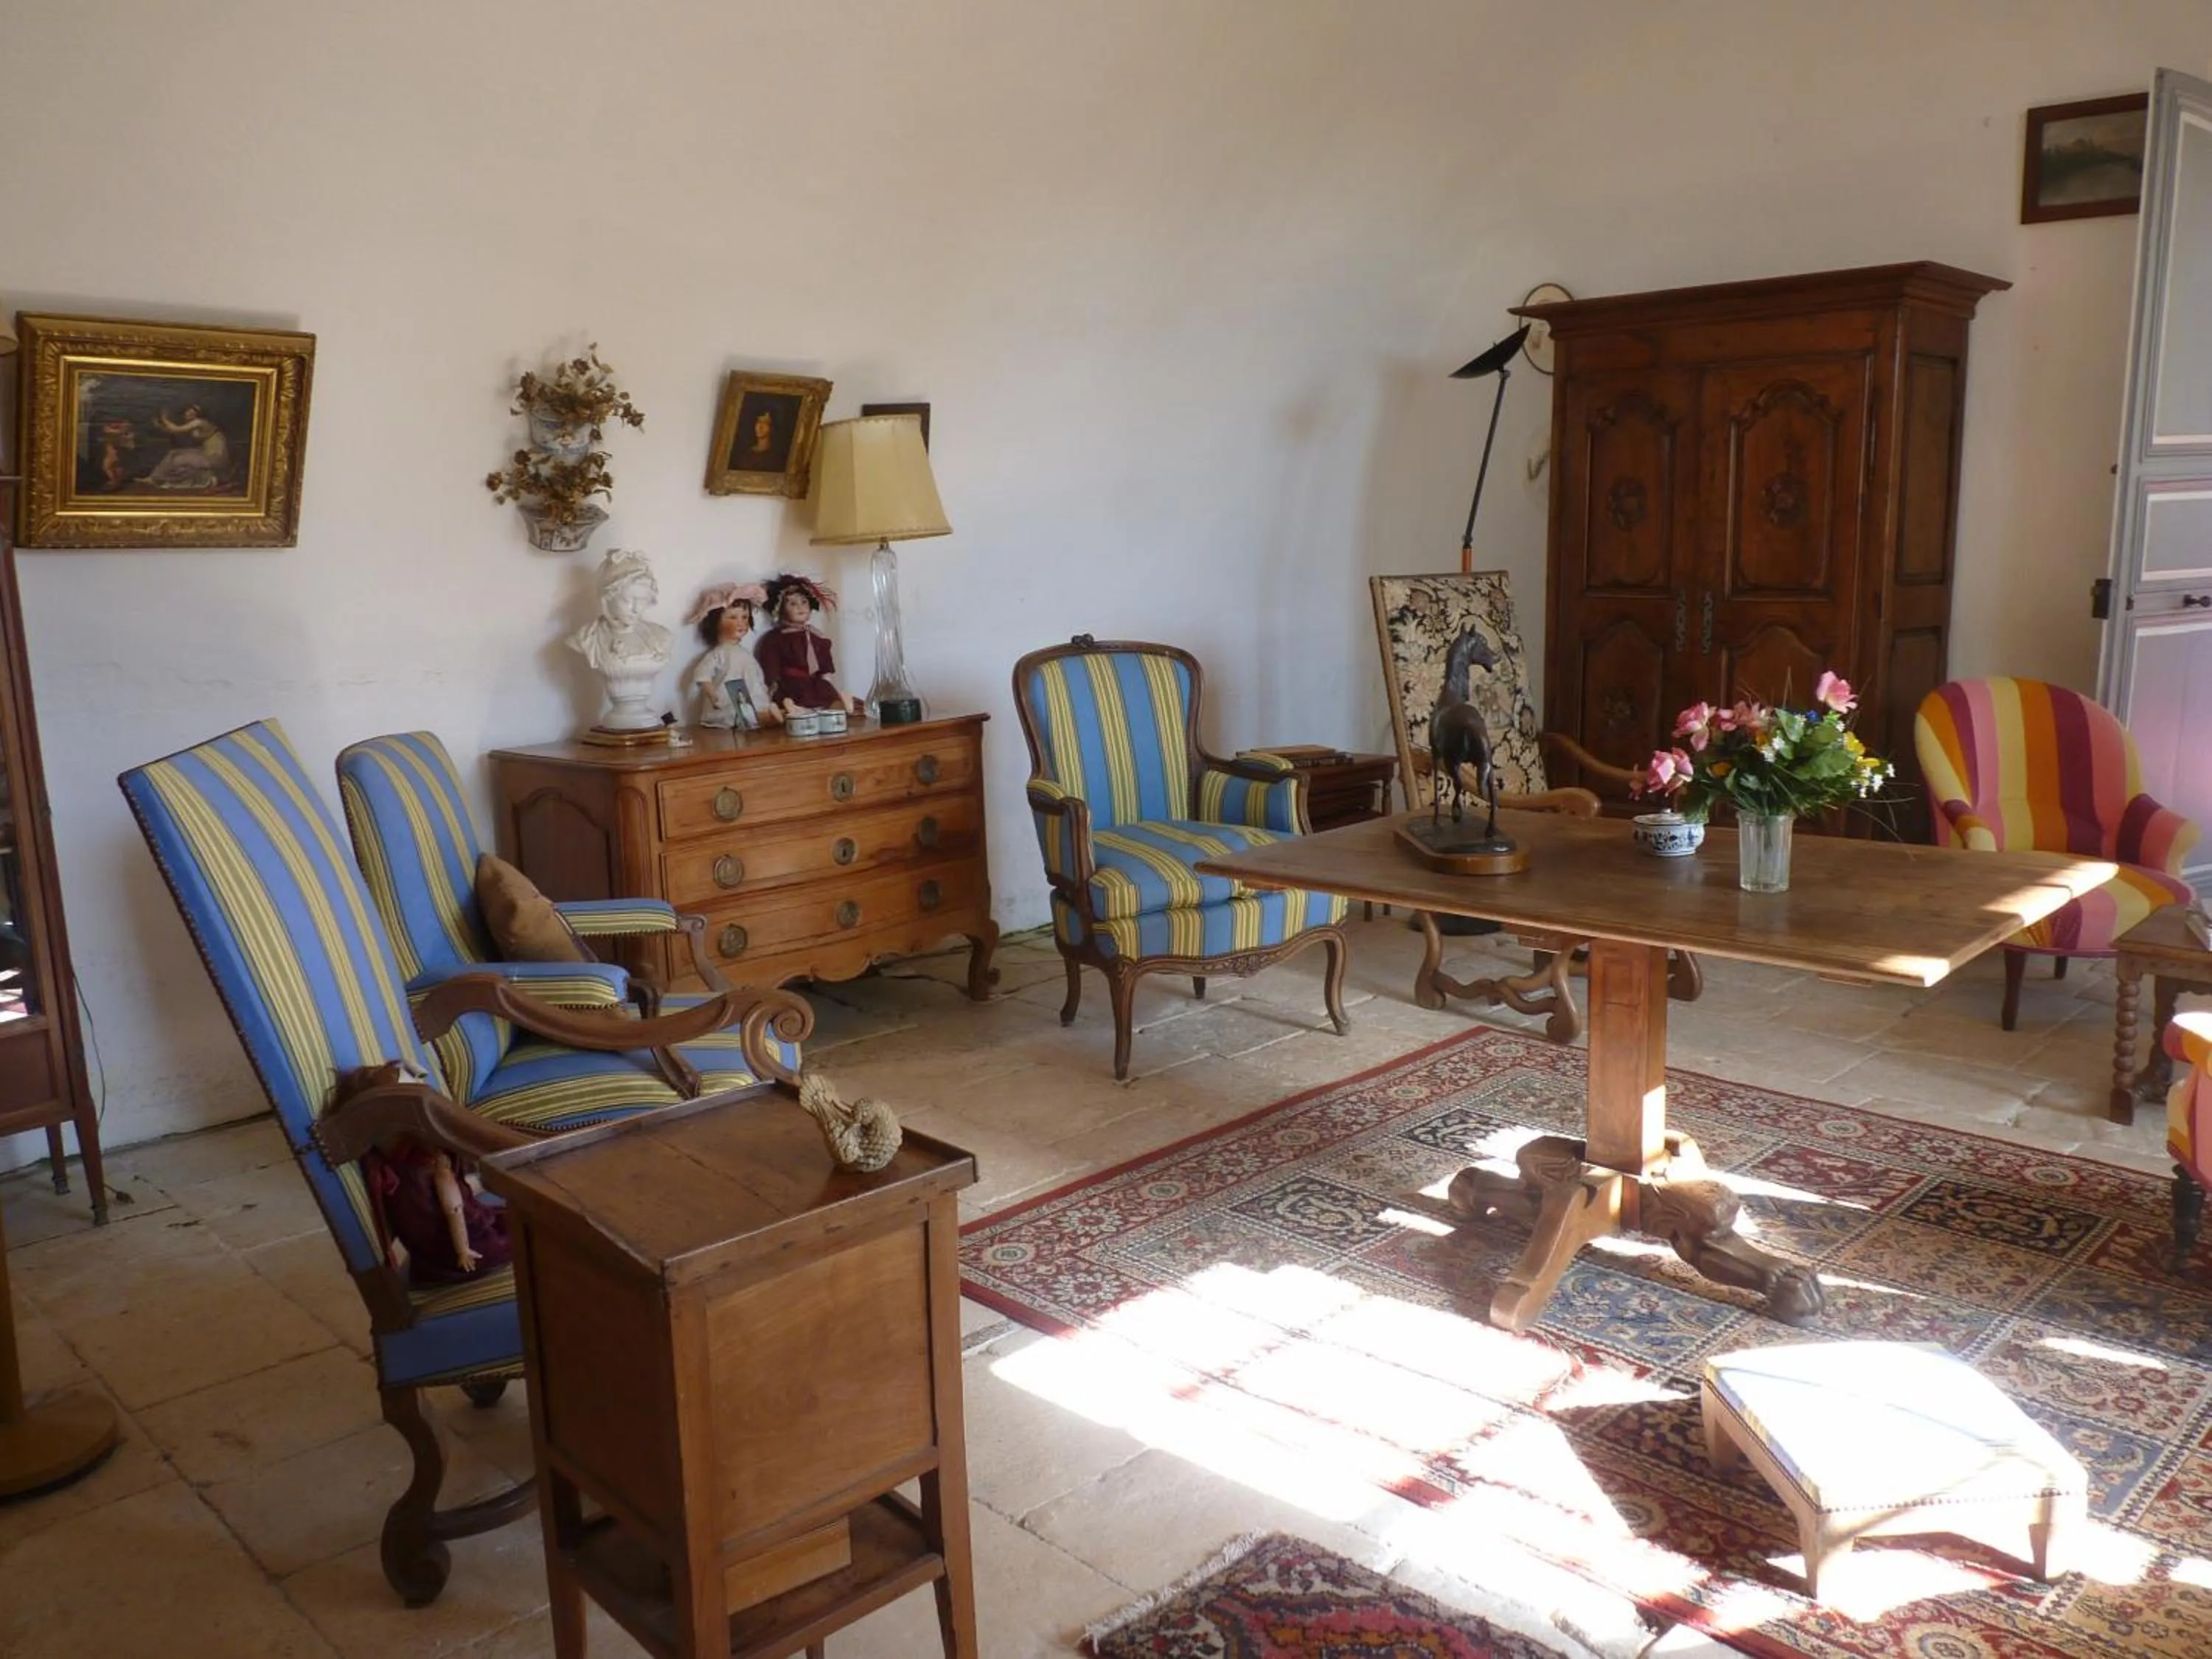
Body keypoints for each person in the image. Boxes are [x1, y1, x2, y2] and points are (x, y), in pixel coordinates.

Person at [755, 573, 860, 712]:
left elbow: (825, 670)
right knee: (795, 705)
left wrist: (828, 685)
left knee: (829, 701)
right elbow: (771, 669)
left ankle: (841, 705)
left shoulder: (818, 636)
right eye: (793, 604)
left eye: (804, 602)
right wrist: (773, 689)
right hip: (791, 686)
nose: (801, 607)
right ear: (780, 609)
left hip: (816, 684)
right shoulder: (775, 639)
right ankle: (793, 708)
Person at [683, 581, 779, 728]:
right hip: (726, 703)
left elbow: (755, 677)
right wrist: (712, 695)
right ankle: (766, 717)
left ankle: (768, 715)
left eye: (745, 617)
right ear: (716, 622)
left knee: (754, 710)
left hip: (749, 701)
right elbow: (702, 675)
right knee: (735, 713)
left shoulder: (745, 654)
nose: (741, 623)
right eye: (733, 617)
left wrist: (766, 691)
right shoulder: (718, 654)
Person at [143, 405, 229, 490]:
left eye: (193, 413)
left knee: (177, 461)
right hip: (207, 452)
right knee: (173, 453)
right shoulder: (196, 426)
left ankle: (205, 479)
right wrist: (159, 425)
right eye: (188, 412)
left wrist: (164, 418)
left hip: (214, 456)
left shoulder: (199, 422)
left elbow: (176, 429)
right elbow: (172, 431)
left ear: (199, 415)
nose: (188, 414)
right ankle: (154, 477)